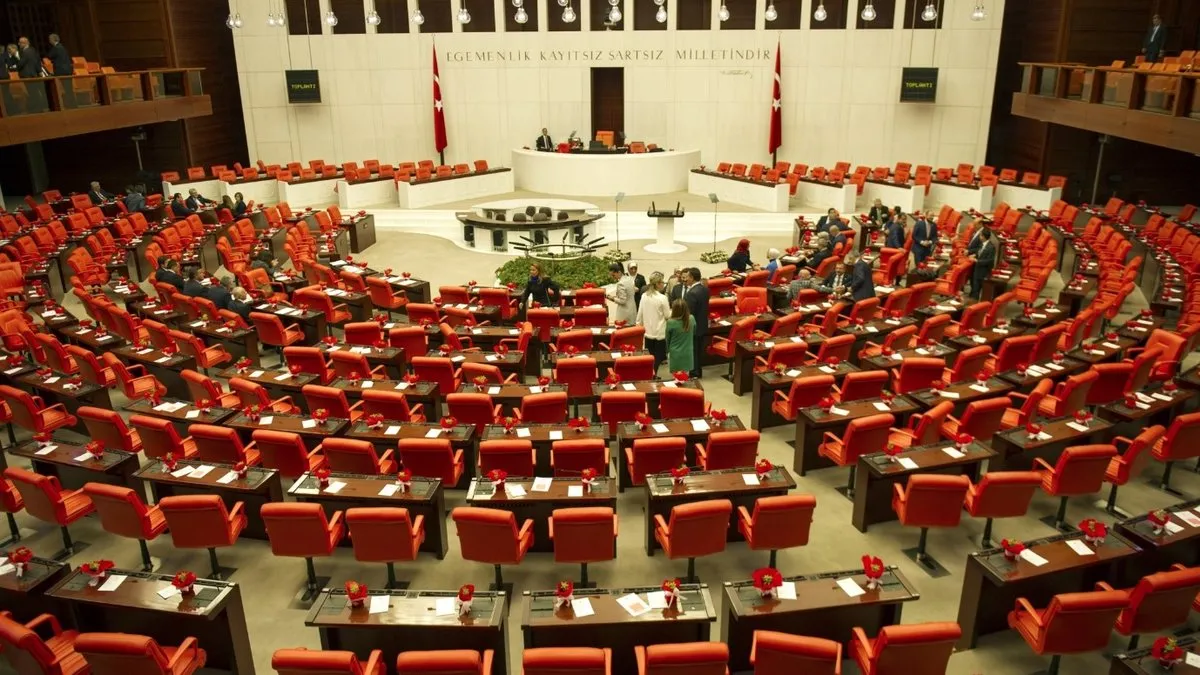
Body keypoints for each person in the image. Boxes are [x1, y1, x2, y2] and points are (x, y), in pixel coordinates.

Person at [636, 271, 670, 373]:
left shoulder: (644, 296)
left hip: (647, 333)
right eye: (662, 282)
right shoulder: (662, 298)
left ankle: (649, 374)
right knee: (658, 357)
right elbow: (667, 315)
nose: (663, 284)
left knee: (650, 357)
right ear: (657, 284)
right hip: (659, 333)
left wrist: (639, 325)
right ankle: (652, 375)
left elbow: (640, 313)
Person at [682, 268, 708, 378]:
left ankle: (694, 373)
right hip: (703, 325)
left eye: (687, 276)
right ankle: (698, 371)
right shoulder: (705, 289)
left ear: (692, 278)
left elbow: (689, 313)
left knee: (694, 351)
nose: (686, 279)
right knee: (699, 350)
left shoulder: (691, 293)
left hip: (694, 327)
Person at [665, 298, 694, 376]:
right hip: (687, 353)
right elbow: (694, 332)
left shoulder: (670, 322)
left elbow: (667, 340)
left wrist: (667, 352)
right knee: (686, 379)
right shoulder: (691, 319)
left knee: (676, 380)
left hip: (675, 355)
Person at [970, 228, 996, 300]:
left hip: (984, 272)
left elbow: (990, 261)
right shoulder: (982, 244)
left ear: (983, 237)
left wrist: (977, 261)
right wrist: (975, 255)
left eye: (980, 236)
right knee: (975, 290)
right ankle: (973, 305)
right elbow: (979, 252)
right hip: (977, 271)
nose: (979, 237)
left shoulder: (991, 247)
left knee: (981, 291)